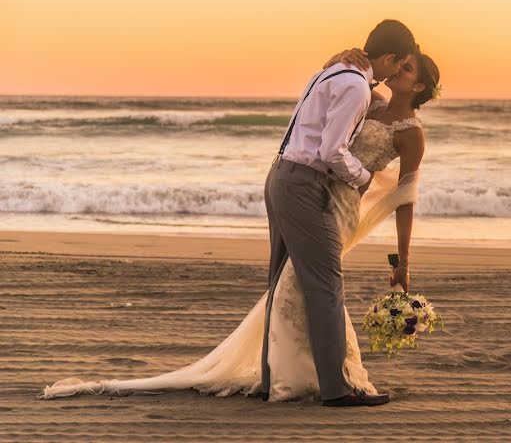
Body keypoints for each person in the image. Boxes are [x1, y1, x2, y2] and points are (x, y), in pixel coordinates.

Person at [39, 22, 442, 409]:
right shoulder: (362, 90)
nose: (398, 71)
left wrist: (402, 261)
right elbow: (331, 151)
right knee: (323, 287)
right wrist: (363, 175)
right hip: (308, 186)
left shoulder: (360, 88)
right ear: (388, 57)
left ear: (419, 85)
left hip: (295, 182)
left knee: (285, 285)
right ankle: (336, 388)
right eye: (400, 62)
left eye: (408, 69)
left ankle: (275, 379)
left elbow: (405, 196)